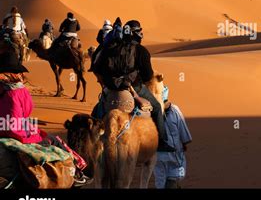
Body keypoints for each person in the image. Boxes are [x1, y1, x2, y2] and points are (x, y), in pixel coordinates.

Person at [0, 48, 91, 186]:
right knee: (55, 140)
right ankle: (77, 172)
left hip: (11, 127)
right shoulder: (17, 92)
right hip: (14, 133)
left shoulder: (7, 90)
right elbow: (13, 126)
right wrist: (33, 135)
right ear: (16, 73)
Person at [91, 19, 175, 152]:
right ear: (137, 33)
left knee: (98, 108)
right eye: (140, 31)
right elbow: (148, 76)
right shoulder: (141, 51)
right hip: (134, 87)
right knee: (158, 108)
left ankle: (91, 136)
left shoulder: (111, 47)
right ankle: (162, 142)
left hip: (111, 87)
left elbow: (98, 68)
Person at [154, 85, 192, 189]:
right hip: (173, 154)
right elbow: (183, 131)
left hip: (157, 156)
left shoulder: (151, 112)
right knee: (173, 177)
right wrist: (184, 144)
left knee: (160, 181)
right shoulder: (175, 110)